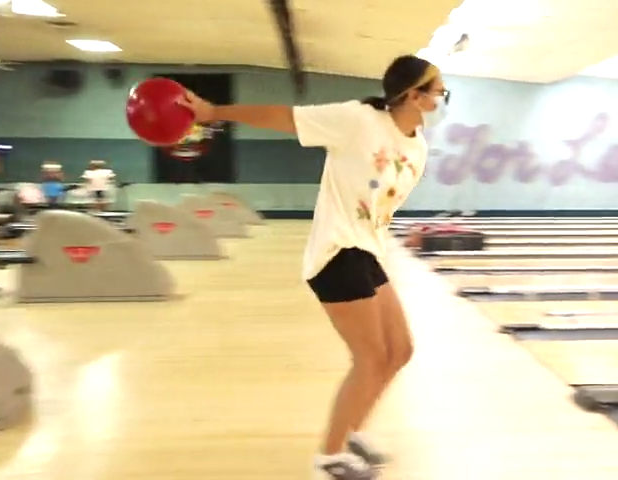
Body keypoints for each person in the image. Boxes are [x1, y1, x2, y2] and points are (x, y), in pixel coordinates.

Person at [179, 54, 449, 480]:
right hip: (336, 251)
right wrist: (215, 113)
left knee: (400, 351)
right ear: (414, 96)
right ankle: (329, 458)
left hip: (367, 250)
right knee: (370, 358)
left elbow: (378, 202)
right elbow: (282, 116)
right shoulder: (358, 120)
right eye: (439, 92)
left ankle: (353, 430)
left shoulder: (417, 146)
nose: (443, 100)